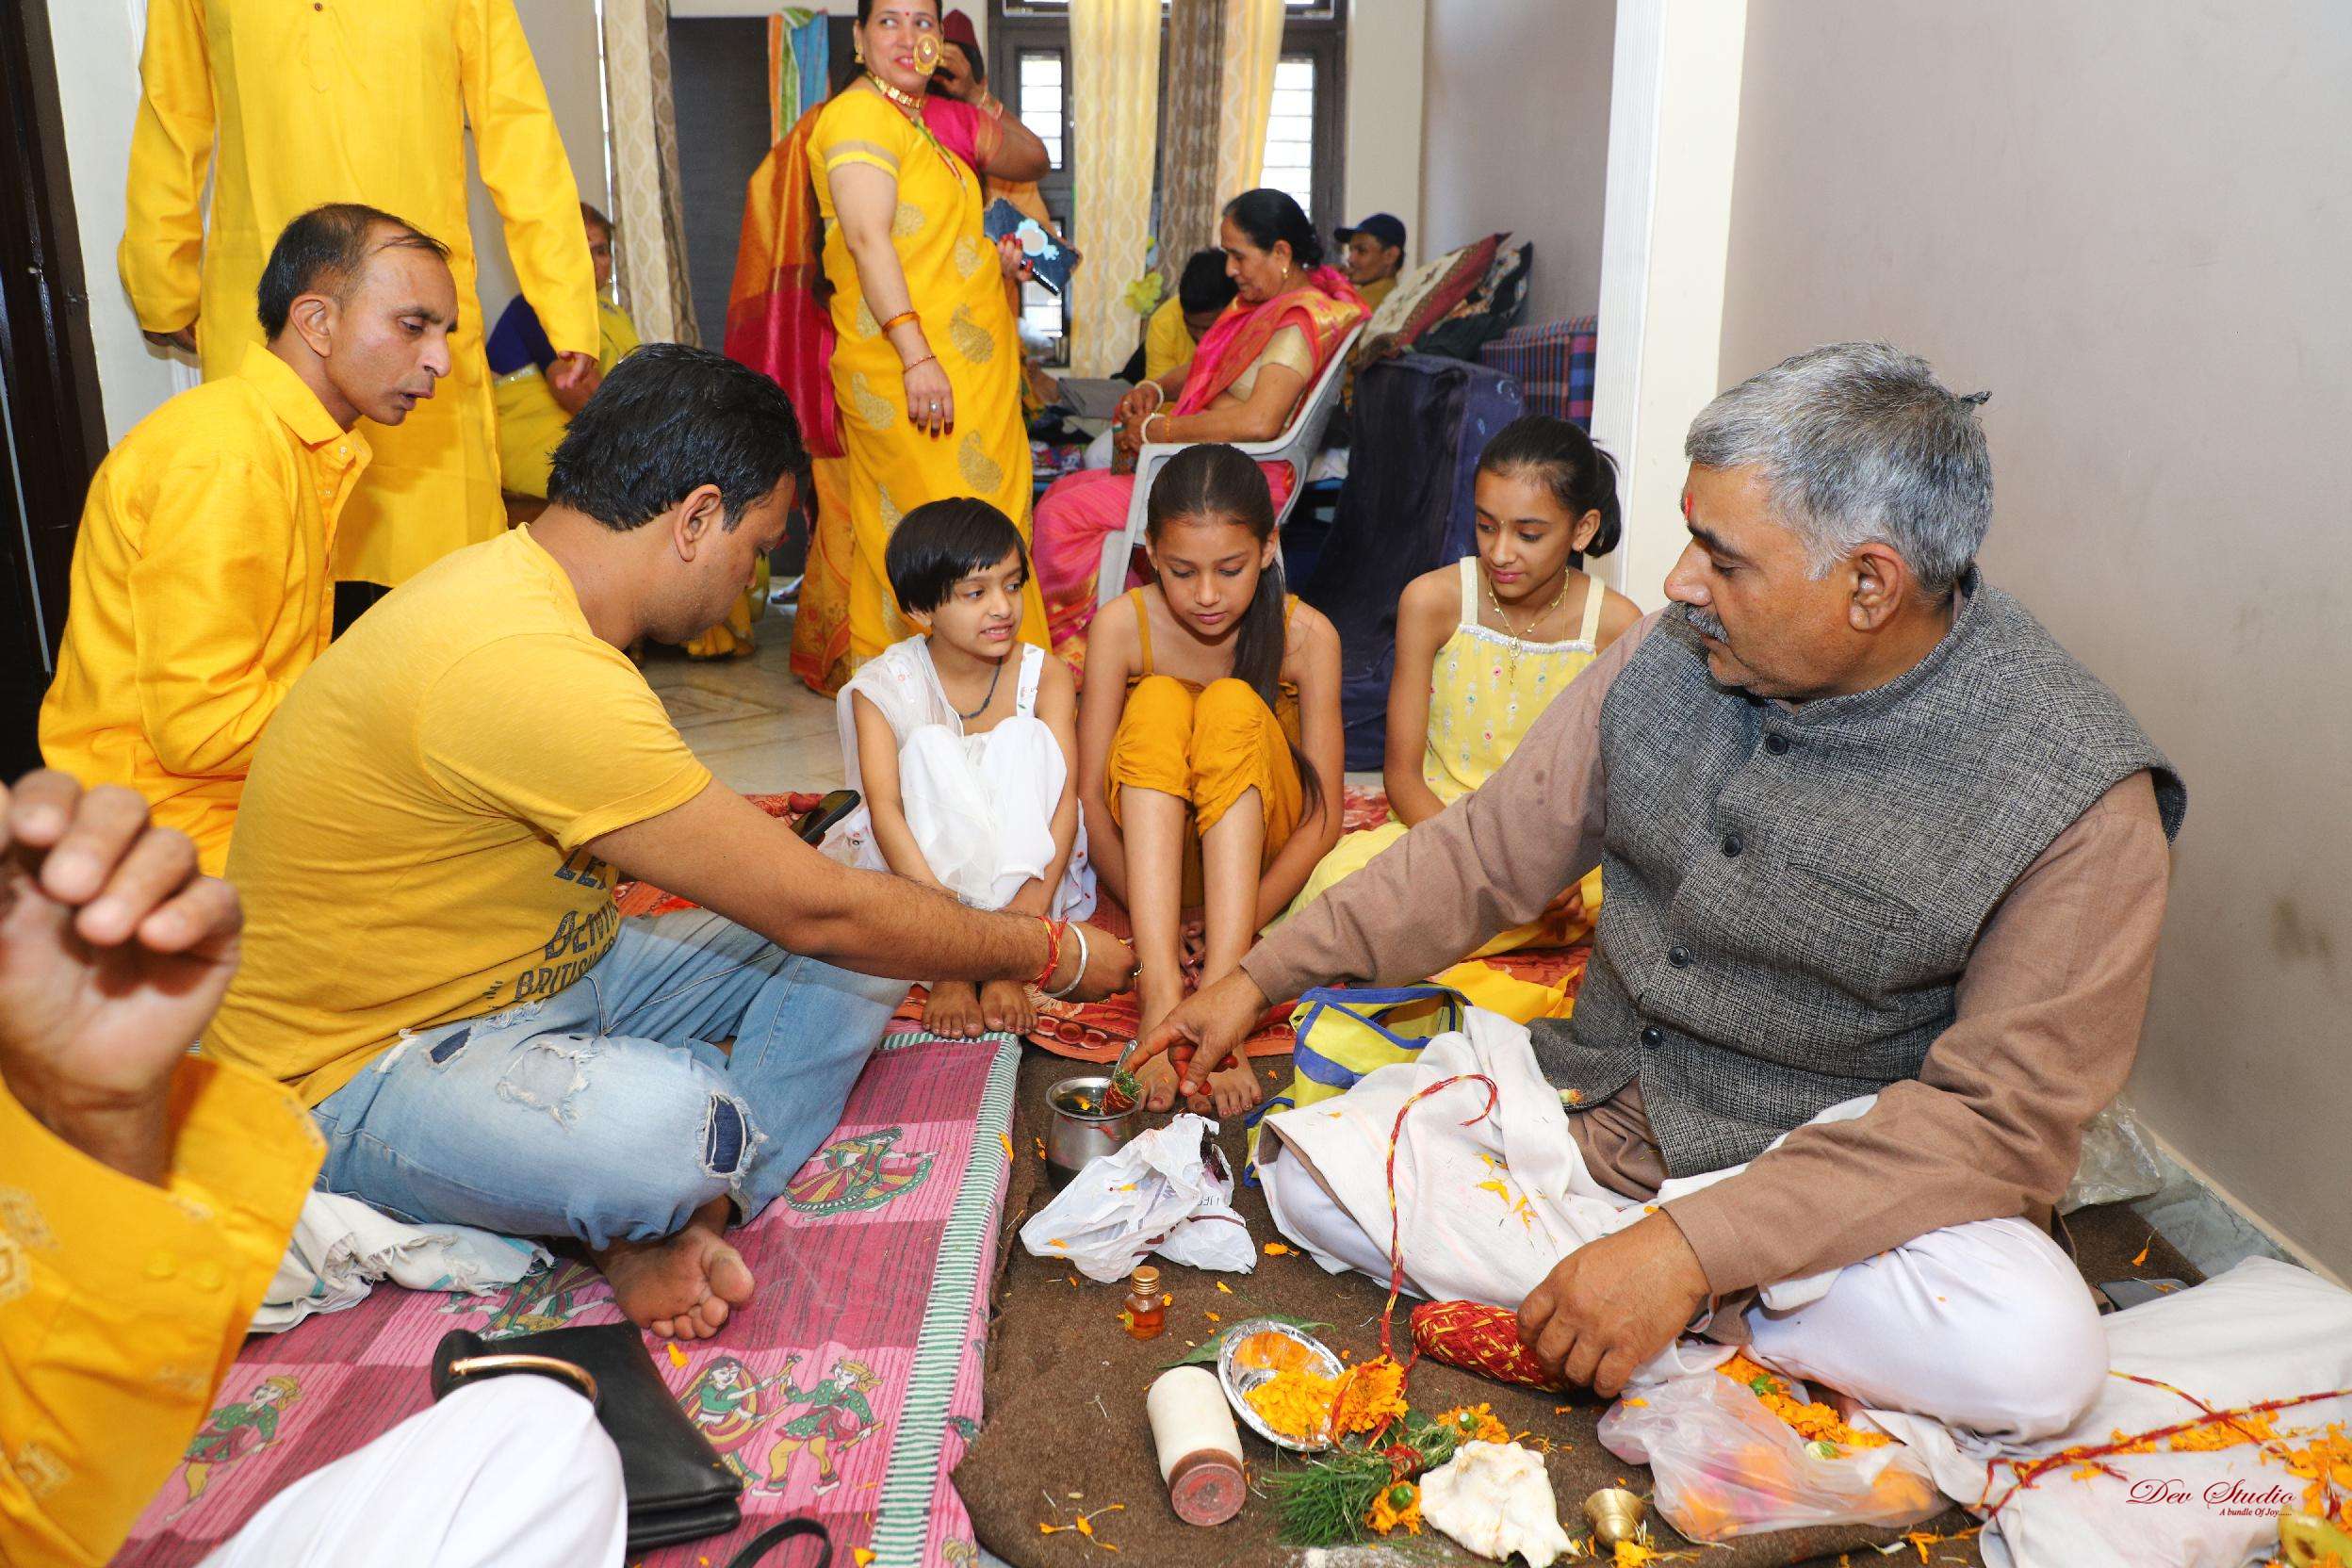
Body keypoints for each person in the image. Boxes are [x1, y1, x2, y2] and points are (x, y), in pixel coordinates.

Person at [1133, 343, 2184, 1443]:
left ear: (1870, 584)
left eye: (1723, 560)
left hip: (1836, 1192)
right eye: (1692, 538)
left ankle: (1654, 1290)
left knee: (2036, 1357)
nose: (1681, 581)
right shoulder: (1672, 652)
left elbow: (1996, 1119)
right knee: (1311, 1175)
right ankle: (1680, 1308)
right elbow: (1483, 850)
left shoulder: (2075, 792)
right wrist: (1256, 976)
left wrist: (1695, 1247)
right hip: (1599, 1119)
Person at [203, 345, 1132, 1345]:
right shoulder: (525, 661)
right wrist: (1049, 949)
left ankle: (686, 1215)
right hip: (365, 1066)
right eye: (758, 547)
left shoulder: (529, 594)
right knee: (679, 1121)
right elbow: (809, 910)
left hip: (556, 972)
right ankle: (659, 1187)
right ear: (695, 518)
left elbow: (821, 901)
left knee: (874, 919)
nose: (753, 578)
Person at [0, 770, 626, 1568]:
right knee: (650, 1142)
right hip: (291, 982)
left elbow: (53, 1472)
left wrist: (97, 1117)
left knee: (540, 1434)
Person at [121, 0, 599, 619]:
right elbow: (171, 113)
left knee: (436, 585)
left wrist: (565, 305)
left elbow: (519, 130)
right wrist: (163, 281)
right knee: (269, 559)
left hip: (416, 322)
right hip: (275, 308)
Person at [41, 205, 457, 877]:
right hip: (164, 825)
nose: (440, 359)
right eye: (413, 326)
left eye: (444, 333)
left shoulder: (288, 445)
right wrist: (396, 726)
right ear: (317, 321)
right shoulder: (227, 456)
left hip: (243, 796)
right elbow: (204, 729)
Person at [1282, 416, 1641, 965]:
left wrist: (1550, 875)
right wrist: (1495, 873)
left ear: (1583, 529)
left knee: (1633, 902)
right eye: (1486, 525)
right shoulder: (1432, 601)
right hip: (1441, 834)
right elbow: (1402, 778)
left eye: (1528, 534)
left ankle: (1464, 934)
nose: (1500, 552)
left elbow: (1618, 793)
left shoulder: (1616, 627)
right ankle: (1507, 926)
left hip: (1555, 860)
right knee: (1342, 884)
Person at [1076, 445, 1344, 1117]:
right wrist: (1160, 930)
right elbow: (1091, 805)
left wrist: (1245, 922)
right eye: (1181, 571)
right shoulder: (1121, 627)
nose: (1205, 595)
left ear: (1268, 548)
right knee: (1159, 701)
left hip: (1256, 868)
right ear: (1149, 553)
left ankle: (1224, 995)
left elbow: (1323, 821)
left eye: (1229, 570)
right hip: (1151, 872)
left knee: (1229, 706)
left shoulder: (1308, 636)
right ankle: (1162, 993)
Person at [810, 0, 1054, 670]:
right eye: (888, 21)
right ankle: (918, 710)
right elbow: (867, 239)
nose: (908, 36)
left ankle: (991, 707)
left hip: (969, 377)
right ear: (858, 37)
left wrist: (988, 258)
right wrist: (917, 357)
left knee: (984, 539)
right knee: (932, 547)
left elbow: (938, 240)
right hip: (912, 373)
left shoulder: (918, 124)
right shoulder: (859, 116)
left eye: (923, 23)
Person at [1032, 189, 1366, 646]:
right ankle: (1133, 632)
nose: (1230, 269)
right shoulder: (1263, 307)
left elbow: (1260, 422)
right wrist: (1153, 388)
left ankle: (1086, 647)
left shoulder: (1297, 321)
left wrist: (1159, 430)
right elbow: (1208, 365)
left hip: (1240, 478)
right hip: (1216, 463)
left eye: (1238, 255)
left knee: (1060, 513)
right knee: (1065, 490)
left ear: (1281, 253)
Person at [829, 498, 1094, 1040]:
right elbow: (886, 811)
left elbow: (1064, 801)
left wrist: (1025, 922)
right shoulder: (883, 687)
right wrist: (947, 932)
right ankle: (950, 968)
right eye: (976, 593)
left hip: (1027, 881)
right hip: (923, 883)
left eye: (1012, 586)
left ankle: (1004, 963)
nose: (1002, 607)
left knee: (1023, 740)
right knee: (928, 748)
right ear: (922, 609)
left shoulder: (1045, 676)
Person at [489, 203, 643, 505]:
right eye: (579, 250)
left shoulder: (612, 314)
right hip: (545, 457)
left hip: (602, 449)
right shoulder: (536, 308)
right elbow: (580, 393)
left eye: (600, 251)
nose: (592, 262)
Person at [1145, 249, 1243, 384]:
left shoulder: (1249, 320)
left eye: (1208, 328)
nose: (1200, 337)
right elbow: (1161, 390)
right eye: (1191, 325)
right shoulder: (1164, 322)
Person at [1334, 212, 1408, 313]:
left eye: (1362, 250)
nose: (1351, 259)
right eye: (1351, 250)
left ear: (1390, 256)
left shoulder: (1369, 305)